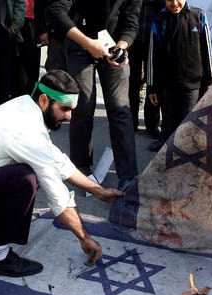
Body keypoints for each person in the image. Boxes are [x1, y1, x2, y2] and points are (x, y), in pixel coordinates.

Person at [0, 70, 122, 277]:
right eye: (65, 109)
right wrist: (84, 238)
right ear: (44, 100)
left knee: (23, 171)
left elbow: (56, 159)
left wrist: (97, 190)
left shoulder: (24, 108)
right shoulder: (25, 129)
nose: (69, 117)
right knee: (25, 178)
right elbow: (56, 192)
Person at [46, 0, 141, 190]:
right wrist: (88, 44)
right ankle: (81, 168)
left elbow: (131, 22)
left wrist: (122, 46)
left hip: (112, 45)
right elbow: (56, 11)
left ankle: (129, 175)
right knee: (82, 107)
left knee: (120, 110)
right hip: (80, 43)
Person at [145, 0, 212, 152]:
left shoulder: (199, 16)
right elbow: (152, 55)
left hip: (192, 84)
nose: (175, 3)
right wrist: (152, 87)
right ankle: (165, 148)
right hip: (166, 84)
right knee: (168, 121)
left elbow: (207, 51)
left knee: (187, 121)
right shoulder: (159, 20)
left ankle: (185, 154)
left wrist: (209, 80)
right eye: (170, 0)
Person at [128, 0, 165, 140]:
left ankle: (152, 125)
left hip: (155, 41)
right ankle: (131, 121)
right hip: (132, 40)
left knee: (153, 83)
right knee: (132, 83)